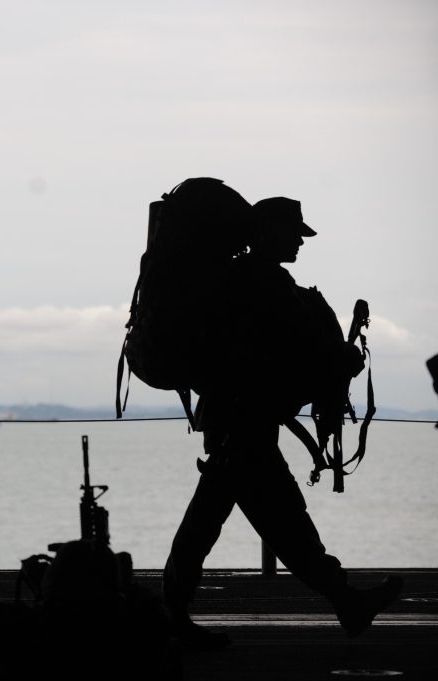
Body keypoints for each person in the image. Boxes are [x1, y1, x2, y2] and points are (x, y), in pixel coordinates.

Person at [162, 195, 403, 650]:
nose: (299, 241)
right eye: (293, 233)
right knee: (285, 524)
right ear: (267, 233)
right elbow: (287, 350)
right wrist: (345, 357)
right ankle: (345, 600)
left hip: (236, 421)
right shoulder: (260, 283)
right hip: (244, 423)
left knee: (214, 522)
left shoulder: (250, 281)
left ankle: (171, 613)